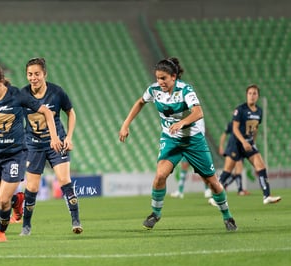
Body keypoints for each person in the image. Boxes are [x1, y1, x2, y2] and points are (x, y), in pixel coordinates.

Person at [119, 57, 237, 231]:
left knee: (212, 182)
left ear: (173, 77)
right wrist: (125, 124)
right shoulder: (154, 90)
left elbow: (198, 112)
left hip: (193, 141)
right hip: (170, 139)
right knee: (160, 175)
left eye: (163, 78)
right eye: (158, 78)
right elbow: (140, 102)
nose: (160, 82)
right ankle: (155, 214)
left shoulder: (185, 90)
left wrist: (181, 123)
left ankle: (227, 216)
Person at [0, 64, 63, 242]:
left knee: (3, 201)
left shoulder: (17, 95)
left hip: (15, 155)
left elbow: (47, 112)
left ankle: (0, 231)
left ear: (0, 81)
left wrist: (54, 137)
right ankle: (18, 201)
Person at [19, 57, 82, 236]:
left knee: (64, 180)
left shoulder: (56, 92)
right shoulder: (23, 95)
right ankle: (26, 226)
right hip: (33, 145)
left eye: (37, 74)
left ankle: (76, 221)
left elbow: (71, 113)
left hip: (57, 143)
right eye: (30, 74)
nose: (33, 78)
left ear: (44, 74)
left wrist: (69, 137)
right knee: (31, 187)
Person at [218, 84, 281, 205]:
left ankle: (266, 196)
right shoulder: (240, 109)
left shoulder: (259, 111)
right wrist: (243, 142)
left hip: (249, 143)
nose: (252, 96)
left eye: (255, 93)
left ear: (258, 96)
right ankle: (215, 195)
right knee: (227, 171)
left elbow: (255, 128)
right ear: (246, 95)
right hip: (236, 143)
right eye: (250, 93)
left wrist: (253, 142)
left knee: (261, 166)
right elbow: (235, 129)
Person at [218, 120, 249, 195]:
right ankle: (217, 187)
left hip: (241, 148)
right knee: (228, 169)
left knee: (238, 170)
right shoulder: (232, 124)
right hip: (233, 147)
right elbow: (224, 135)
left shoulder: (246, 123)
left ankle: (227, 186)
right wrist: (221, 146)